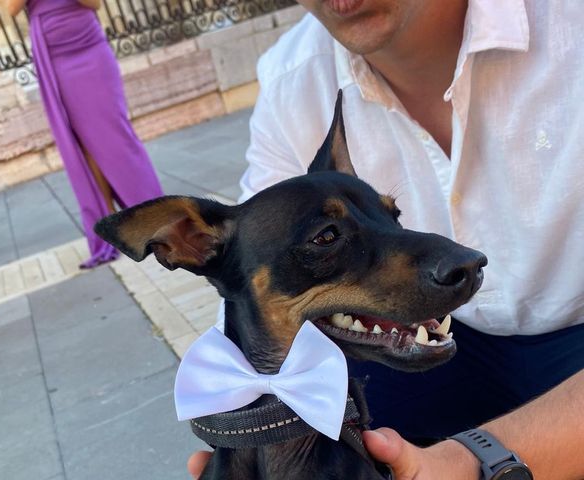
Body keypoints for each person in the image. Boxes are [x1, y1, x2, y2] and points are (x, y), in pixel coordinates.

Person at [189, 1, 584, 479]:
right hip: (441, 334)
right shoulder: (292, 77)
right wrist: (249, 429)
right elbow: (252, 277)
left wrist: (475, 463)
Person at [5, 0, 163, 268]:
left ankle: (155, 217)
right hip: (53, 55)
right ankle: (109, 228)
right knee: (82, 144)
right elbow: (11, 8)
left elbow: (95, 3)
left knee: (116, 135)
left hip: (88, 46)